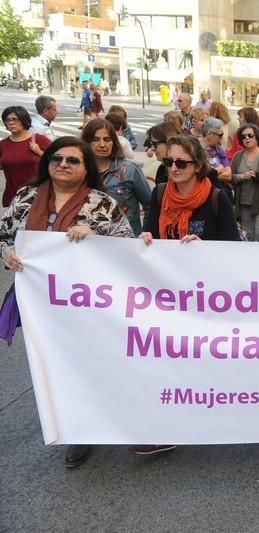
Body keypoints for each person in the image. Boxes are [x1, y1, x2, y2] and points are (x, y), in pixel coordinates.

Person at [0, 136, 135, 467]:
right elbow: (4, 233)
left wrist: (96, 237)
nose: (63, 164)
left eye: (73, 160)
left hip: (88, 306)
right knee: (52, 367)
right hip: (40, 304)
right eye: (56, 158)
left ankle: (85, 429)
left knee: (86, 365)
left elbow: (129, 248)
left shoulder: (102, 204)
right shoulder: (25, 197)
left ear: (86, 168)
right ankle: (72, 427)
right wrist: (7, 252)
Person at [140, 135, 239, 243]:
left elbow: (232, 244)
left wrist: (203, 246)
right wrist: (146, 237)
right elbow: (152, 233)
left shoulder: (217, 198)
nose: (173, 169)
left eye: (181, 163)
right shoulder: (159, 193)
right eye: (169, 162)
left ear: (198, 166)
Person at [81, 118, 151, 235]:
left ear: (114, 142)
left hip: (125, 241)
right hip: (88, 242)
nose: (102, 144)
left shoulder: (130, 169)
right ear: (87, 142)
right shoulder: (78, 170)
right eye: (96, 139)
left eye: (107, 139)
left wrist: (143, 235)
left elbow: (150, 206)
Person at [0, 106, 52, 206]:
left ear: (24, 120)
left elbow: (58, 160)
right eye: (7, 120)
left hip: (37, 196)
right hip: (13, 197)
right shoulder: (3, 144)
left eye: (14, 119)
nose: (11, 123)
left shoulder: (39, 140)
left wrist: (39, 152)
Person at [145, 121, 183, 187]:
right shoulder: (162, 169)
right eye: (151, 144)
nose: (152, 148)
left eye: (155, 144)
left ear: (169, 142)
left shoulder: (189, 171)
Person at [199, 117, 232, 184]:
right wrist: (217, 171)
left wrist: (210, 175)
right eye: (220, 135)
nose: (222, 138)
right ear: (209, 134)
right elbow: (197, 175)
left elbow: (228, 176)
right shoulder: (195, 148)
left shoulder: (219, 149)